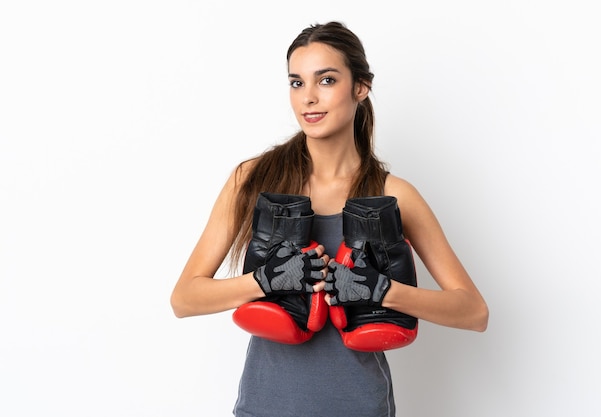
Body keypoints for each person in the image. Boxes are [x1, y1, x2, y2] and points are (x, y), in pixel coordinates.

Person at [170, 21, 489, 417]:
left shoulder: (394, 195)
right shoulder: (251, 180)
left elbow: (473, 312)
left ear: (360, 87)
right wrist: (263, 281)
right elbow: (184, 299)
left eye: (326, 80)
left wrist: (382, 290)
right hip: (265, 407)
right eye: (297, 83)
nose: (309, 98)